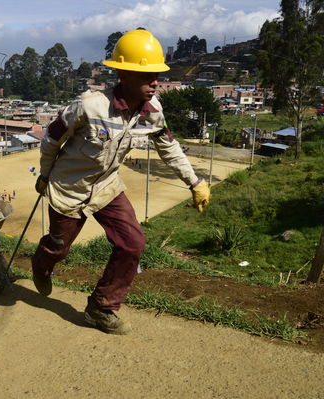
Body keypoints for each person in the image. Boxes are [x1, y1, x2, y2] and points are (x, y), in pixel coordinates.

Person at [31, 29, 210, 335]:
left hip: (107, 187)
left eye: (157, 74)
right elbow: (51, 140)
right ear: (123, 75)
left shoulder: (153, 112)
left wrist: (194, 182)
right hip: (69, 187)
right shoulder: (89, 106)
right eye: (146, 75)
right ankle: (42, 264)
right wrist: (45, 175)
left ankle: (101, 307)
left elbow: (169, 146)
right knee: (58, 248)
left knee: (133, 243)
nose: (155, 82)